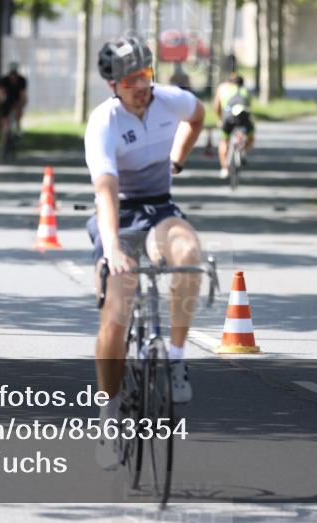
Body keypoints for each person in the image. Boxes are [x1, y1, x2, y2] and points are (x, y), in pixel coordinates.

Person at [85, 35, 205, 469]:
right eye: (130, 80)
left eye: (146, 75)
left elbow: (198, 116)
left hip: (159, 210)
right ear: (112, 85)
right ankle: (108, 415)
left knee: (188, 254)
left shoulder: (170, 101)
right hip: (118, 214)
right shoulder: (104, 122)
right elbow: (105, 189)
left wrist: (177, 160)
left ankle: (175, 360)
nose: (141, 86)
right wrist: (112, 248)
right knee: (117, 310)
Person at [213, 57, 255, 179]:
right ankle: (243, 149)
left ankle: (224, 168)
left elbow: (216, 107)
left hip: (228, 118)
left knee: (224, 141)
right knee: (250, 137)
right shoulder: (245, 91)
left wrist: (220, 119)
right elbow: (249, 108)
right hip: (244, 118)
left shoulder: (222, 89)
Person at [0, 61, 28, 148]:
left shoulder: (21, 80)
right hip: (6, 101)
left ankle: (18, 131)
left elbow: (23, 94)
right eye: (12, 74)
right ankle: (3, 141)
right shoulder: (4, 80)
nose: (13, 76)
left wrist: (23, 103)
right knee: (4, 120)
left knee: (18, 115)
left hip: (17, 101)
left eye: (14, 74)